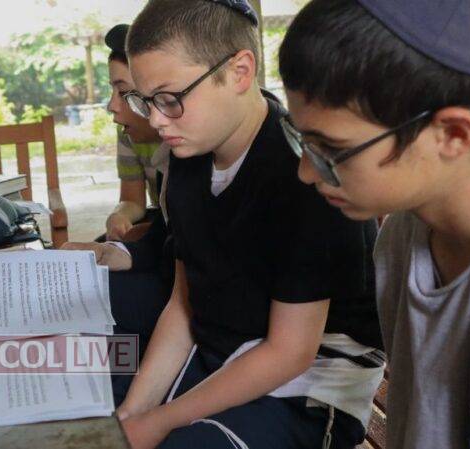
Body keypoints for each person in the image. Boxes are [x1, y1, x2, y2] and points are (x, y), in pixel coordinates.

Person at [115, 1, 383, 448]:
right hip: (221, 346)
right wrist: (131, 414)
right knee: (97, 396)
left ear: (240, 72)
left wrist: (160, 420)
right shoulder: (187, 157)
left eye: (169, 98)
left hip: (309, 382)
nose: (157, 119)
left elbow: (289, 353)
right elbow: (183, 305)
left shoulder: (304, 175)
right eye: (145, 101)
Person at [277, 1, 470, 447]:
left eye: (331, 149)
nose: (306, 172)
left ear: (453, 134)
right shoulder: (401, 236)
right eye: (302, 140)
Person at [63, 24, 175, 352]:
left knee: (89, 302)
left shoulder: (184, 147)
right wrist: (119, 236)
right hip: (160, 243)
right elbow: (139, 205)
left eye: (123, 91)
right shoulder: (141, 139)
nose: (112, 106)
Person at [103, 24, 170, 242]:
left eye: (123, 92)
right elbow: (132, 200)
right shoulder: (129, 133)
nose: (111, 105)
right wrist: (120, 215)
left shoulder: (191, 139)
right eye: (113, 90)